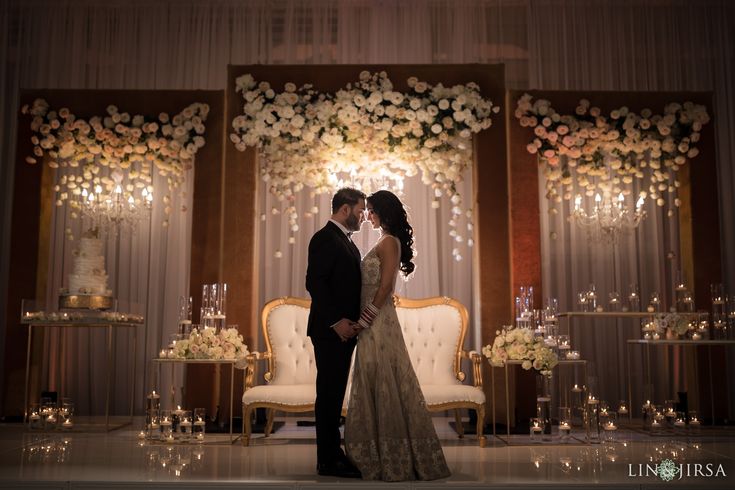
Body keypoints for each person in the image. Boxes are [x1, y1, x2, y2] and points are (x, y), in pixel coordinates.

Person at [344, 190, 451, 481]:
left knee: (383, 379)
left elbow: (386, 286)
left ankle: (394, 458)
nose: (368, 215)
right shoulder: (384, 240)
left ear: (384, 212)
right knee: (373, 380)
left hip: (378, 322)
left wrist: (364, 320)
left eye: (372, 210)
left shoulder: (389, 242)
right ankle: (377, 453)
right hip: (373, 320)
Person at [305, 187, 365, 478]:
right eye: (360, 210)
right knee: (328, 394)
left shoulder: (345, 240)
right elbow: (314, 283)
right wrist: (336, 322)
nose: (364, 216)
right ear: (345, 209)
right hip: (330, 332)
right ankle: (328, 460)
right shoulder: (325, 238)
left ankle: (333, 454)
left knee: (334, 393)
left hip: (344, 331)